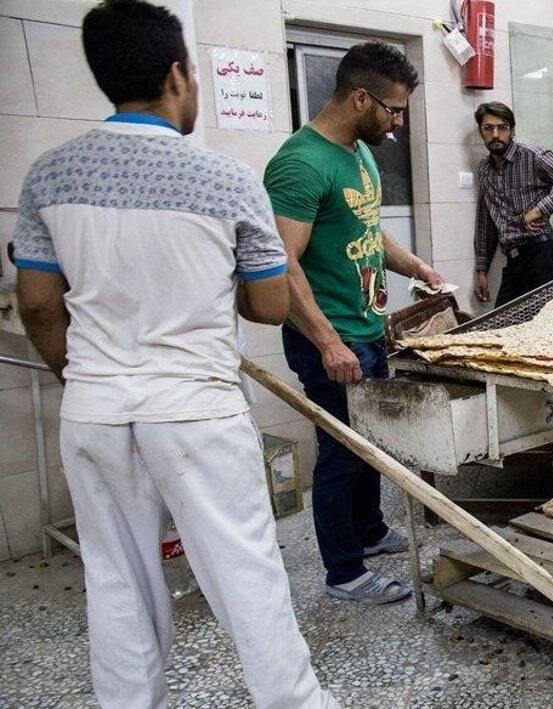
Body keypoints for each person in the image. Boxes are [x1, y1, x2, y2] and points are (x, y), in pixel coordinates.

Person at [12, 1, 335, 706]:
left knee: (117, 581)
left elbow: (35, 304)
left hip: (96, 410)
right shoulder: (226, 179)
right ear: (177, 75)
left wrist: (82, 374)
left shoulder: (50, 176)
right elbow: (268, 305)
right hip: (196, 410)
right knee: (246, 575)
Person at [264, 41, 443, 603]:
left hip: (368, 329)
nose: (397, 123)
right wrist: (326, 342)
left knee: (371, 442)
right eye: (394, 110)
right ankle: (345, 573)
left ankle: (368, 530)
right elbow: (283, 262)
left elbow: (366, 228)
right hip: (331, 337)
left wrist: (414, 265)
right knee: (341, 452)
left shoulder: (361, 152)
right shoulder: (300, 163)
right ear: (361, 98)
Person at [472, 102, 553, 305]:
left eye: (502, 127)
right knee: (503, 321)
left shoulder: (531, 156)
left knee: (550, 320)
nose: (495, 134)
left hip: (542, 254)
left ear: (512, 130)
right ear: (481, 132)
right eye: (488, 128)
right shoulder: (485, 169)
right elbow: (485, 221)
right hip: (513, 262)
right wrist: (482, 270)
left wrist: (540, 209)